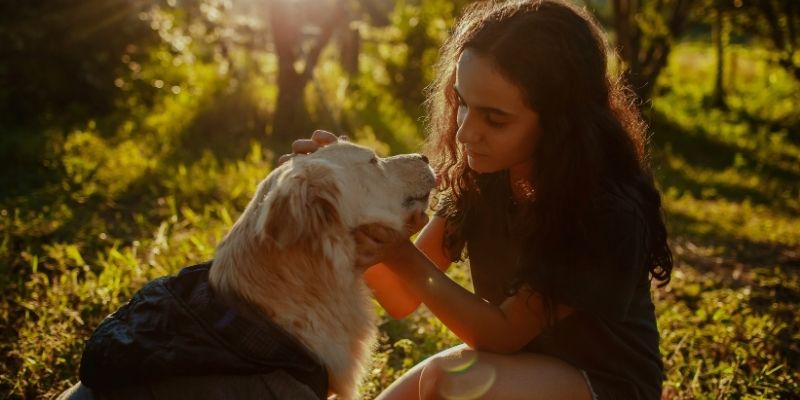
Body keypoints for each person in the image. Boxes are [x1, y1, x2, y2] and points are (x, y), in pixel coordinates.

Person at [288, 1, 672, 399]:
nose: (465, 133)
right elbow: (399, 296)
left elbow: (503, 334)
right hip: (521, 367)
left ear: (561, 124)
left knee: (449, 382)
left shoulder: (604, 211)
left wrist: (402, 254)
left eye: (495, 118)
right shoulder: (486, 178)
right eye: (463, 104)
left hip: (604, 383)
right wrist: (343, 196)